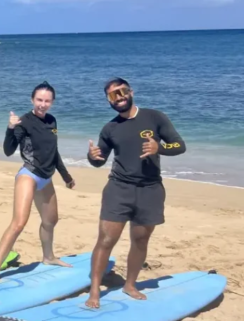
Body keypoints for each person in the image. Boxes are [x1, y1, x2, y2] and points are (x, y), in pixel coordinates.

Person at [85, 77, 186, 308]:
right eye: (112, 95)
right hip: (118, 189)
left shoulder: (155, 117)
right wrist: (92, 157)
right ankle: (94, 291)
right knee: (106, 239)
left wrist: (158, 147)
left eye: (121, 92)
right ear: (108, 100)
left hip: (150, 189)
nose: (119, 97)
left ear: (130, 92)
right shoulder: (110, 128)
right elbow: (100, 160)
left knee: (140, 239)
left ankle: (130, 284)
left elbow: (180, 145)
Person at [0, 81, 76, 285]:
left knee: (51, 220)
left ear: (52, 102)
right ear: (32, 100)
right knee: (18, 223)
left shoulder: (52, 121)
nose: (42, 104)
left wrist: (66, 176)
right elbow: (8, 151)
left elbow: (54, 152)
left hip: (46, 177)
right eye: (39, 100)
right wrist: (10, 128)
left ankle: (48, 256)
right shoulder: (24, 122)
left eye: (47, 101)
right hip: (29, 175)